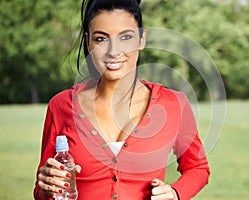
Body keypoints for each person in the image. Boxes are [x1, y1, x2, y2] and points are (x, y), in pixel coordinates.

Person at [33, 0, 210, 199]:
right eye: (101, 39)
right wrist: (45, 188)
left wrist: (176, 193)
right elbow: (41, 191)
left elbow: (198, 168)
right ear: (88, 42)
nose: (113, 51)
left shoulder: (174, 104)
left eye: (126, 37)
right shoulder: (61, 106)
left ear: (142, 39)